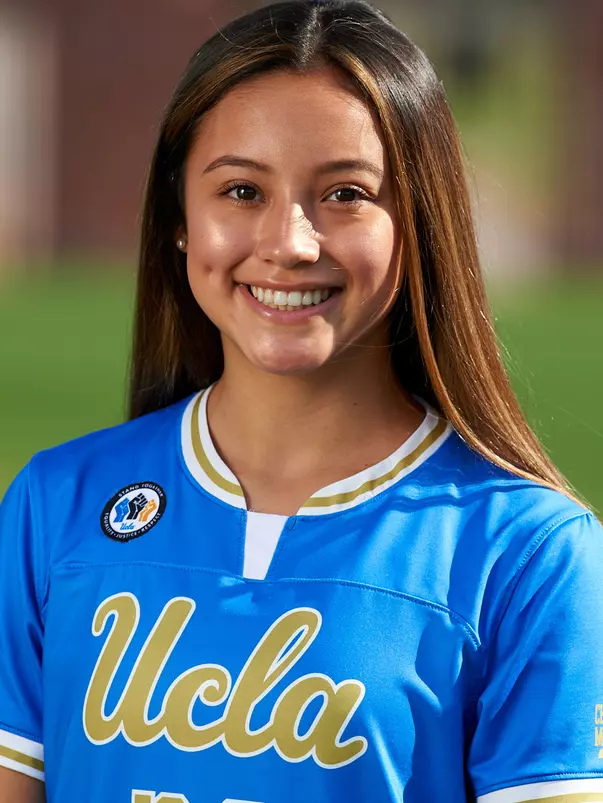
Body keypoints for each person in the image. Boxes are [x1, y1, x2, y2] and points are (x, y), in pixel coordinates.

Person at [1, 0, 602, 801]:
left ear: (417, 221)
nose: (288, 242)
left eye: (345, 194)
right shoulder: (55, 504)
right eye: (242, 191)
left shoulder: (526, 551)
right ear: (179, 218)